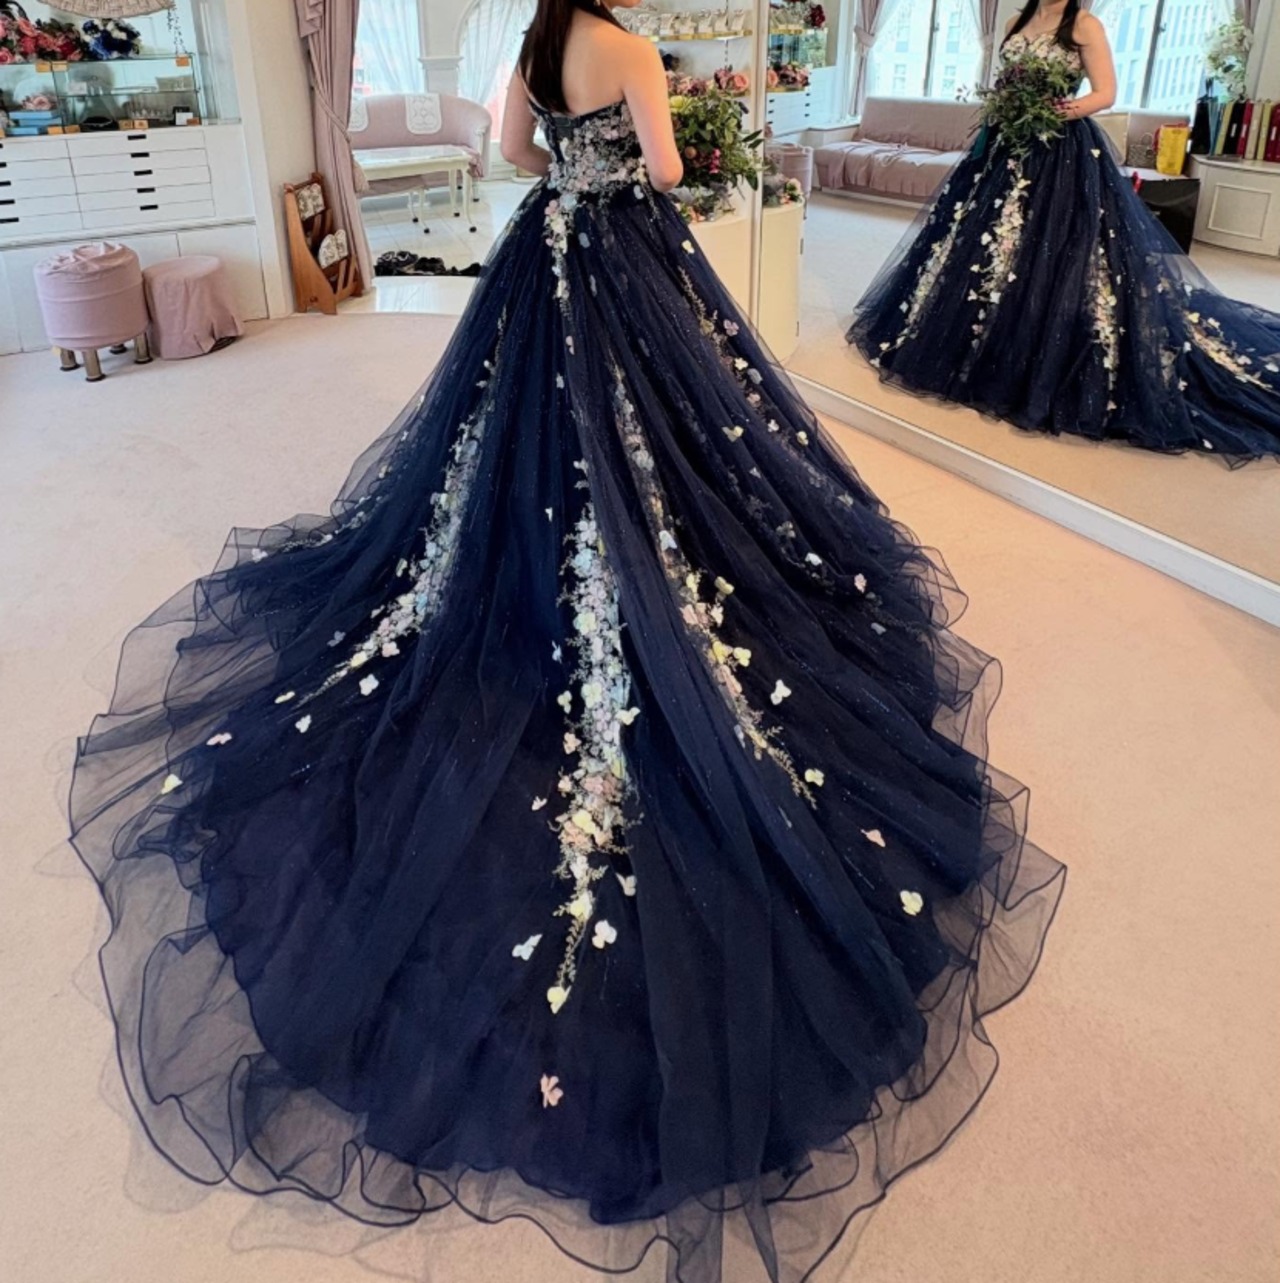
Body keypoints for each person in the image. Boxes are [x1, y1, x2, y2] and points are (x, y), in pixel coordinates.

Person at [69, 1, 1064, 1279]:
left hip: (543, 259)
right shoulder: (632, 48)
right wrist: (650, 151)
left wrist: (569, 154)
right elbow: (664, 169)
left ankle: (529, 582)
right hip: (627, 261)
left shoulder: (531, 44)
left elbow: (511, 156)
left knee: (515, 453)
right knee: (673, 453)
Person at [848, 0, 1280, 463]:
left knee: (1057, 251)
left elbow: (1105, 93)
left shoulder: (1085, 25)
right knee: (986, 247)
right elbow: (1006, 80)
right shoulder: (1015, 20)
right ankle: (980, 340)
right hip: (1007, 144)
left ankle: (1040, 349)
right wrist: (1010, 106)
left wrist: (1053, 111)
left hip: (1059, 148)